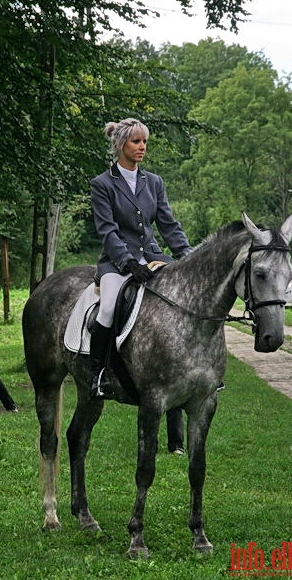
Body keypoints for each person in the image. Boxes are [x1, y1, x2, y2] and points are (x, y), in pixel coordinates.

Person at [90, 118, 193, 452]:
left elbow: (168, 223)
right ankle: (99, 374)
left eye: (145, 142)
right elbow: (107, 231)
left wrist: (185, 255)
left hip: (153, 256)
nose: (142, 147)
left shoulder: (154, 182)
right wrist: (128, 263)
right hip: (117, 262)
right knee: (107, 308)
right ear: (122, 145)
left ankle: (189, 375)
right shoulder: (102, 184)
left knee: (180, 307)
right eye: (136, 142)